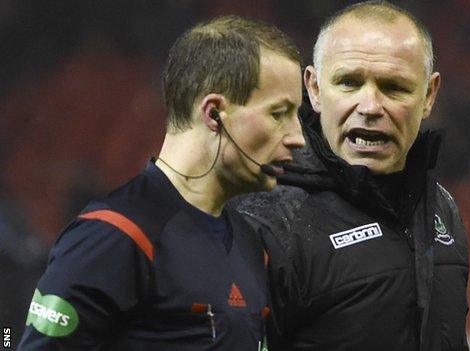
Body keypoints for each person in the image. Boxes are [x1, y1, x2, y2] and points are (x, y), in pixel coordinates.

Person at [18, 16, 305, 350]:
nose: (297, 137)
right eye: (279, 113)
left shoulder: (252, 246)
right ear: (213, 114)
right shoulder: (115, 234)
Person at [234, 1, 470, 350]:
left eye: (394, 87)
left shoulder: (440, 207)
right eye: (348, 82)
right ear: (313, 89)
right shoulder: (265, 221)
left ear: (428, 95)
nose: (370, 106)